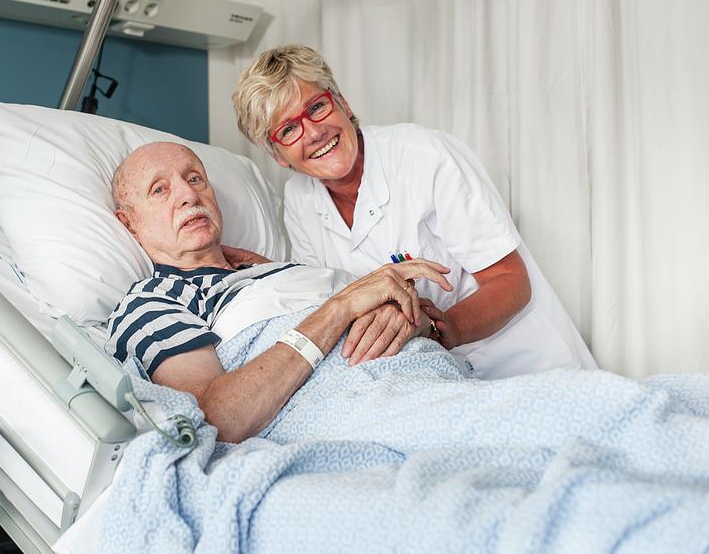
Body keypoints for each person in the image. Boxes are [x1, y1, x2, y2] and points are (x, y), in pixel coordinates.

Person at [231, 44, 597, 380]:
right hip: (433, 379)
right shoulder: (299, 198)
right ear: (278, 156)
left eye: (316, 107)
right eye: (289, 130)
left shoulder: (424, 155)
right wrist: (269, 272)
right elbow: (330, 295)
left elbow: (511, 282)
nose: (313, 132)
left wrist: (441, 328)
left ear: (343, 103)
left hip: (523, 361)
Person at [107, 141, 453, 443]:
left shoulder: (280, 270)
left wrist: (407, 317)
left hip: (437, 382)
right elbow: (216, 420)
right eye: (159, 190)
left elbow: (427, 326)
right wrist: (341, 308)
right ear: (129, 222)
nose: (188, 194)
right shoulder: (153, 300)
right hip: (375, 413)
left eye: (195, 178)